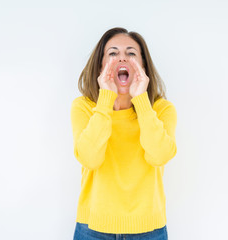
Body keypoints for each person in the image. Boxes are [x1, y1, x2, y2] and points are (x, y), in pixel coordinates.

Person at [70, 27, 177, 240]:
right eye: (112, 53)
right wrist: (106, 99)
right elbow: (90, 159)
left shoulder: (162, 109)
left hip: (149, 230)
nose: (122, 59)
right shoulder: (83, 107)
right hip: (93, 229)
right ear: (100, 65)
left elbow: (160, 156)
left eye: (130, 53)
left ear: (143, 65)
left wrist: (141, 101)